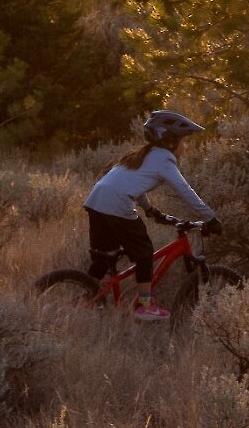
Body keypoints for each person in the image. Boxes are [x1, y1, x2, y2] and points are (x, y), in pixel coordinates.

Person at [82, 109, 220, 320]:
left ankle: (85, 300)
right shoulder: (164, 159)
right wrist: (210, 217)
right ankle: (144, 306)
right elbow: (184, 191)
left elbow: (128, 185)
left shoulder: (140, 154)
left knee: (103, 257)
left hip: (96, 200)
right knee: (144, 253)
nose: (186, 146)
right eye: (184, 141)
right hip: (117, 204)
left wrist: (150, 210)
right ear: (170, 140)